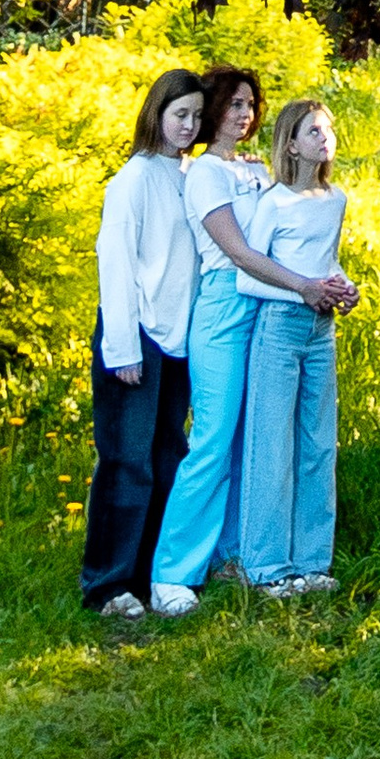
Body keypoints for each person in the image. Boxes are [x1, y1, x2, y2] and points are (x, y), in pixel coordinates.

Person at [146, 68, 353, 617]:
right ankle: (171, 573)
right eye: (234, 105)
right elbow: (239, 253)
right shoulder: (206, 174)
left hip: (269, 308)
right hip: (223, 307)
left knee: (249, 439)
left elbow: (293, 229)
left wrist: (323, 284)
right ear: (214, 110)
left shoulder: (255, 169)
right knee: (213, 436)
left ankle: (233, 555)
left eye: (251, 105)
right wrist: (306, 287)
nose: (244, 115)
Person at [80, 65, 205, 618]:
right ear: (156, 113)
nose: (189, 126)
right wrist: (124, 349)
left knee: (168, 459)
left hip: (180, 341)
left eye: (198, 117)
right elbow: (116, 263)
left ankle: (157, 576)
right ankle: (108, 587)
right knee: (126, 463)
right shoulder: (133, 179)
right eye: (181, 115)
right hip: (136, 340)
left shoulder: (192, 175)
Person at [236, 97, 355, 598]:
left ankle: (312, 562)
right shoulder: (274, 202)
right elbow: (249, 277)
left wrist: (343, 287)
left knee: (318, 444)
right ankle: (266, 567)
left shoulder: (335, 200)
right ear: (290, 143)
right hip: (279, 329)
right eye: (312, 132)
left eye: (327, 130)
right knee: (272, 446)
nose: (322, 139)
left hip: (320, 332)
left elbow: (327, 261)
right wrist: (303, 288)